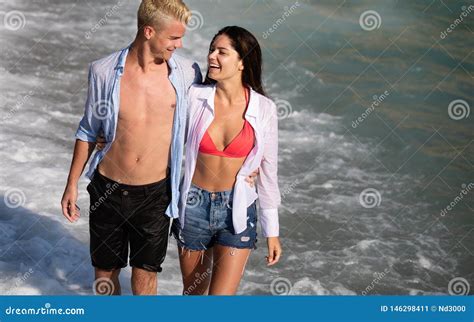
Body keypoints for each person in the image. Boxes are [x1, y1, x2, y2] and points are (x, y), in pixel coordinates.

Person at [60, 0, 201, 295]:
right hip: (107, 189)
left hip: (156, 193)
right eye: (173, 37)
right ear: (149, 31)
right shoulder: (104, 71)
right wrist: (71, 184)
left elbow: (213, 115)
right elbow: (88, 129)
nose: (179, 44)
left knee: (146, 275)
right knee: (104, 273)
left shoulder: (187, 73)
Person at [171, 26, 282, 295]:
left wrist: (272, 230)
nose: (212, 57)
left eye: (222, 52)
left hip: (237, 208)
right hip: (193, 204)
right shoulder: (194, 96)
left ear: (242, 62)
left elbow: (268, 172)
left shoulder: (264, 108)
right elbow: (164, 133)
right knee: (194, 295)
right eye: (211, 50)